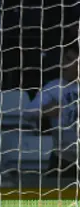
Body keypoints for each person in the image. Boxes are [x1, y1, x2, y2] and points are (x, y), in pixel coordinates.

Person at [27, 41, 80, 177]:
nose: (63, 64)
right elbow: (27, 113)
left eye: (69, 60)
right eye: (64, 58)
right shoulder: (54, 87)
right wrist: (44, 110)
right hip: (63, 160)